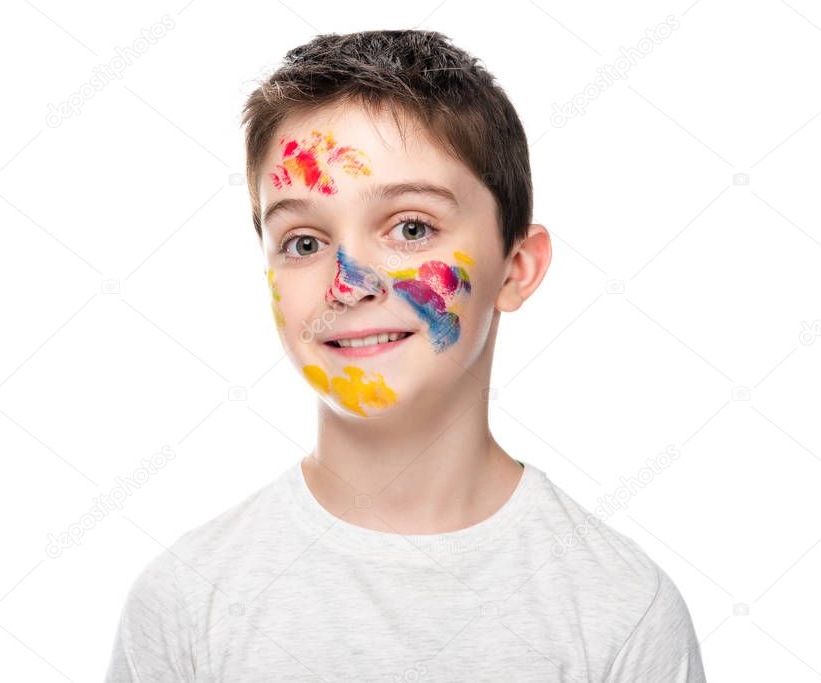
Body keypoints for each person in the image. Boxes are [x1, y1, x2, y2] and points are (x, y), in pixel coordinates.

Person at [105, 29, 706, 681]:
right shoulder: (187, 604)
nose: (348, 282)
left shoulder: (619, 611)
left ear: (515, 267)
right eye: (303, 242)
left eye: (411, 228)